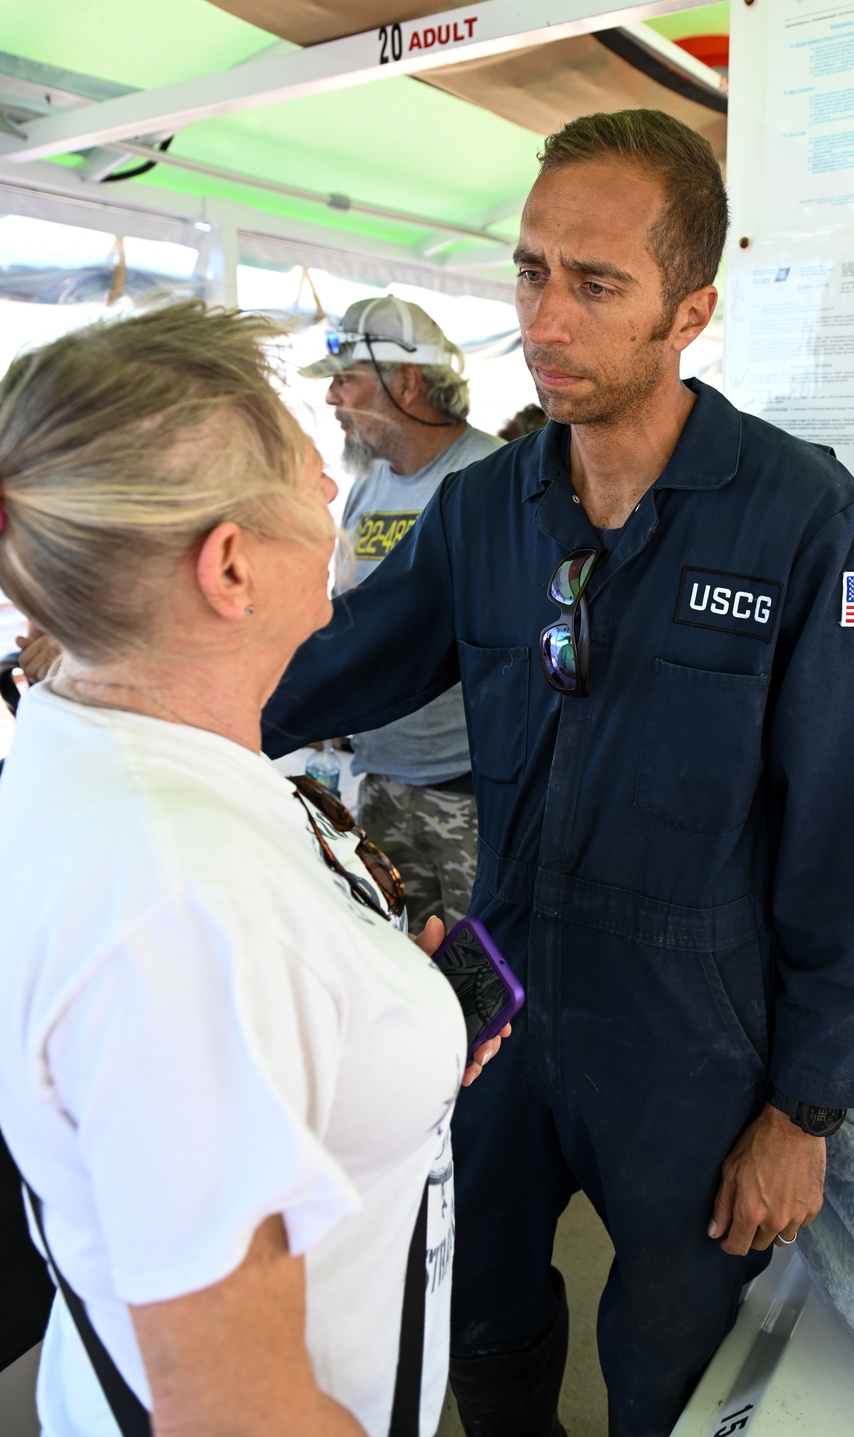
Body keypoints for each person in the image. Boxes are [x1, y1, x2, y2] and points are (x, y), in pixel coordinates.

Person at [262, 109, 854, 1437]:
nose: (545, 319)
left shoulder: (798, 515)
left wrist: (806, 1106)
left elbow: (848, 828)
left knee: (666, 1359)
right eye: (531, 271)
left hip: (692, 1025)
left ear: (692, 310)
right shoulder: (487, 508)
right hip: (499, 988)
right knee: (478, 1314)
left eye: (596, 284)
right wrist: (151, 694)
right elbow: (341, 665)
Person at [0, 301, 506, 1437]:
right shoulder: (182, 909)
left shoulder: (116, 755)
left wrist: (385, 1025)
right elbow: (240, 1415)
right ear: (228, 567)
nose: (332, 493)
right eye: (298, 471)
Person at [294, 295, 502, 930]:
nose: (332, 398)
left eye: (346, 380)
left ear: (407, 382)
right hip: (381, 779)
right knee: (403, 958)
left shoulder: (491, 475)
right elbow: (348, 604)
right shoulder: (367, 485)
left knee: (486, 972)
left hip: (472, 785)